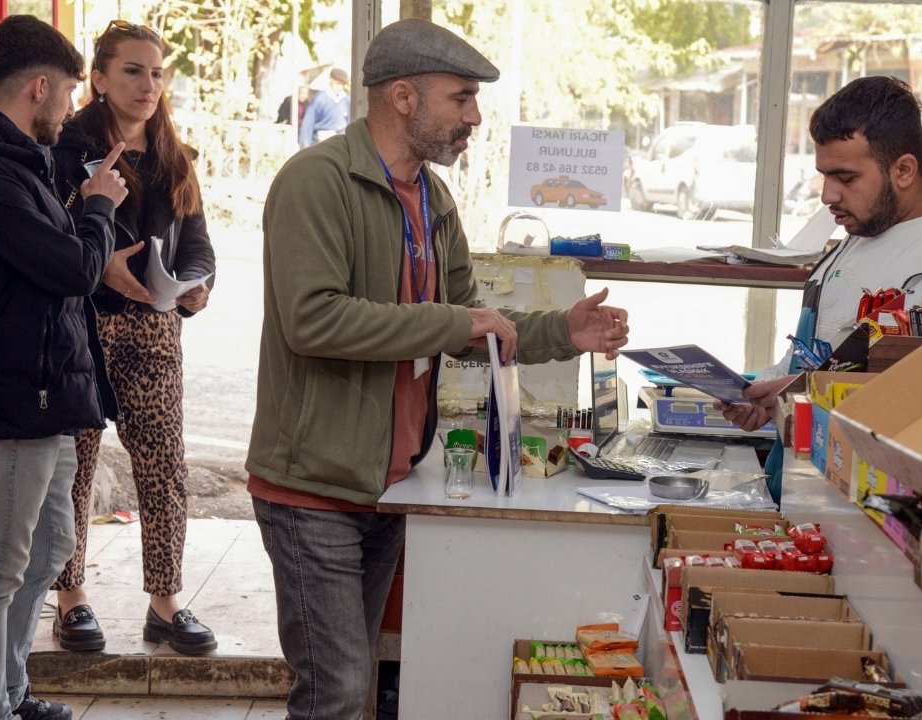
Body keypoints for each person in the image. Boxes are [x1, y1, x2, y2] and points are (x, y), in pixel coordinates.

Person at [246, 18, 629, 719]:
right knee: (331, 691)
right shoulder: (315, 183)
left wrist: (561, 333)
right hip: (311, 490)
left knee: (354, 688)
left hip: (388, 487)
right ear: (401, 97)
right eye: (460, 99)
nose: (473, 118)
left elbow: (465, 322)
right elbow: (314, 321)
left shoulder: (432, 197)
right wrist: (460, 322)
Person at [0, 15, 129, 720]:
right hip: (11, 400)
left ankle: (12, 693)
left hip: (46, 399)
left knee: (49, 547)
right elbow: (72, 269)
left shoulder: (18, 167)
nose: (72, 109)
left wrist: (81, 209)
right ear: (40, 88)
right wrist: (99, 209)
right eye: (70, 93)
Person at [716, 77, 922, 497]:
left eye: (845, 177)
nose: (828, 194)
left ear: (903, 169)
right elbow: (814, 356)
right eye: (825, 175)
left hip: (872, 505)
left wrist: (801, 392)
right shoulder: (855, 240)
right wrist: (767, 395)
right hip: (801, 488)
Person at [48, 19, 218, 656]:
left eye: (155, 72)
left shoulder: (175, 154)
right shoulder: (65, 145)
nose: (148, 84)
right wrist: (103, 263)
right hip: (79, 322)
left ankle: (165, 600)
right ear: (97, 78)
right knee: (75, 463)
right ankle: (70, 597)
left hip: (154, 326)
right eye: (132, 70)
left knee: (163, 464)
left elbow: (197, 244)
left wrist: (197, 285)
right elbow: (47, 233)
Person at [297, 66, 350, 147]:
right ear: (331, 79)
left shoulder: (346, 100)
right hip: (321, 144)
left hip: (340, 144)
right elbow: (307, 126)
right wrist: (304, 148)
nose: (340, 87)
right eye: (338, 83)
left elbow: (350, 124)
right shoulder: (319, 99)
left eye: (342, 84)